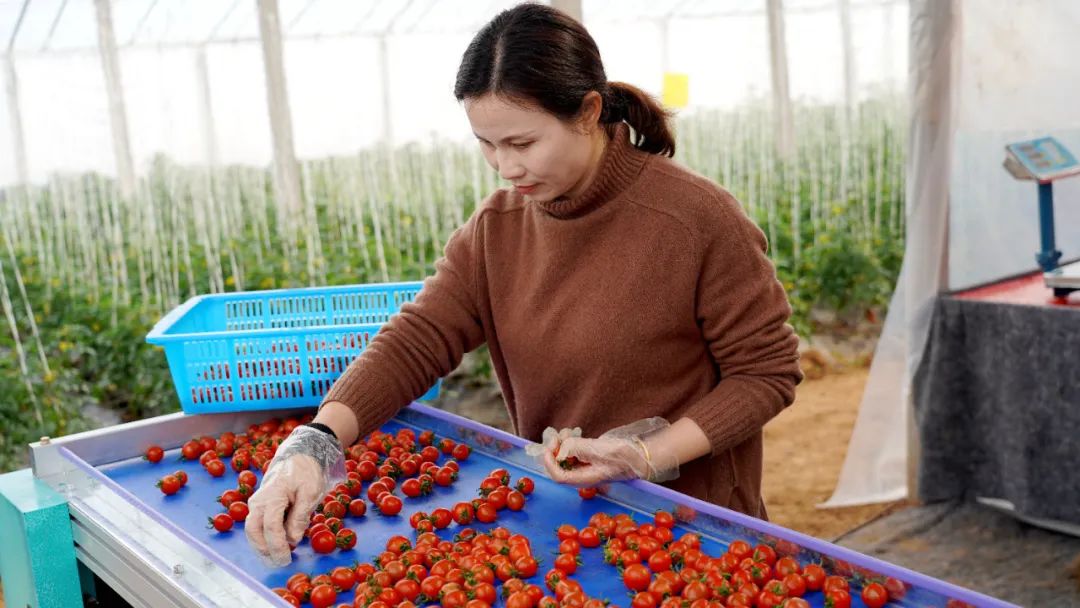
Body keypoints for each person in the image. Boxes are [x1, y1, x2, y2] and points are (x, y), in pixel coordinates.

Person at [245, 3, 802, 567]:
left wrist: (647, 453)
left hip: (691, 533)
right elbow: (418, 338)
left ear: (587, 111)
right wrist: (317, 441)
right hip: (566, 524)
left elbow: (766, 372)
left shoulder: (696, 219)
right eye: (486, 144)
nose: (504, 167)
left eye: (522, 143)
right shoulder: (497, 229)